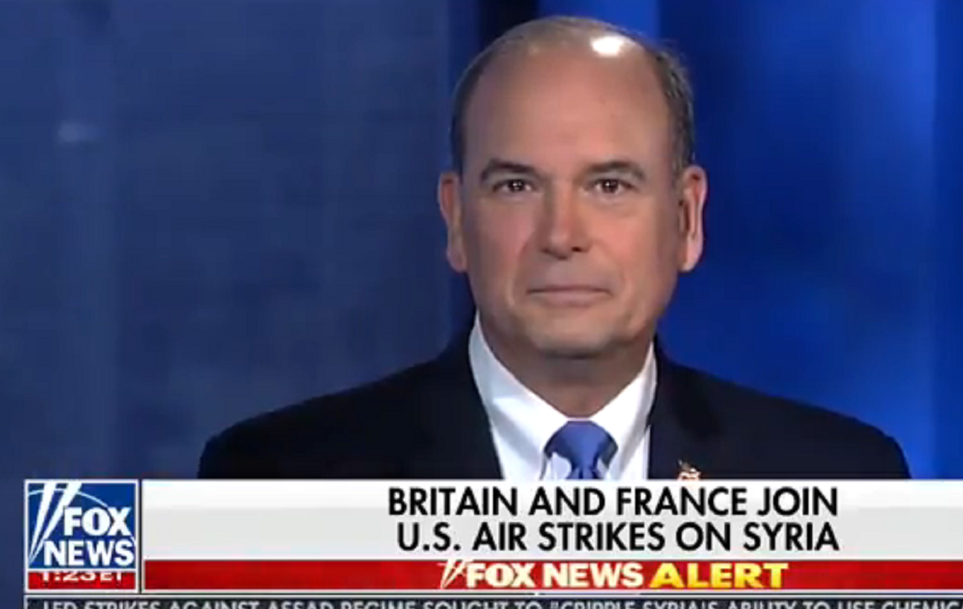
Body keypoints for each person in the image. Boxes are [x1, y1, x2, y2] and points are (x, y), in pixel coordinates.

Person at [198, 17, 909, 481]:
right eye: (516, 186)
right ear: (456, 220)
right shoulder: (278, 479)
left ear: (687, 219)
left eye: (609, 185)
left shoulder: (840, 480)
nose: (562, 235)